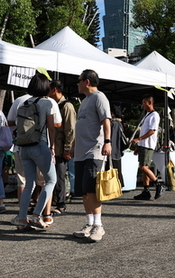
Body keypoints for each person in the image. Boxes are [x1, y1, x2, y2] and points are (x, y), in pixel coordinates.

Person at [15, 73, 60, 231]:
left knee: (29, 184)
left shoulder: (24, 103)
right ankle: (36, 215)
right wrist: (52, 147)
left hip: (24, 147)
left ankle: (22, 220)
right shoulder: (47, 103)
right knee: (51, 181)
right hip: (39, 146)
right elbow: (52, 128)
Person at [72, 69, 112, 243]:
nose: (77, 83)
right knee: (83, 191)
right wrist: (73, 146)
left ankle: (98, 225)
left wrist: (108, 141)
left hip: (94, 150)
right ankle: (89, 224)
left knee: (92, 190)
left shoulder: (99, 97)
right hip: (81, 152)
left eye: (79, 80)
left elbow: (106, 120)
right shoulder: (85, 101)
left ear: (87, 81)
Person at [49, 80, 76, 214]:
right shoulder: (53, 105)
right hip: (53, 147)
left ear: (54, 90)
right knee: (52, 176)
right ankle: (54, 201)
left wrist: (67, 149)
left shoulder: (67, 106)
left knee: (60, 176)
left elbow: (70, 130)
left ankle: (61, 204)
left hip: (60, 148)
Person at [132, 94, 164, 200]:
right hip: (143, 145)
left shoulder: (155, 115)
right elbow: (145, 131)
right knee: (144, 167)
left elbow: (152, 131)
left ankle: (158, 184)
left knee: (143, 167)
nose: (143, 105)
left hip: (148, 145)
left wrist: (139, 140)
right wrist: (139, 146)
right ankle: (146, 191)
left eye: (144, 103)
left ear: (150, 103)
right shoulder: (148, 115)